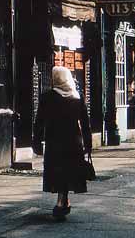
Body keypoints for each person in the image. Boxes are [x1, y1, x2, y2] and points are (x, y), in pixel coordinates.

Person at [32, 66, 92, 219]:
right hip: (73, 142)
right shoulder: (77, 97)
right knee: (68, 170)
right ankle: (63, 200)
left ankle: (61, 201)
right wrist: (88, 144)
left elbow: (39, 122)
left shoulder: (47, 97)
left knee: (58, 171)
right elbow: (85, 124)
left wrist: (36, 142)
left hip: (55, 141)